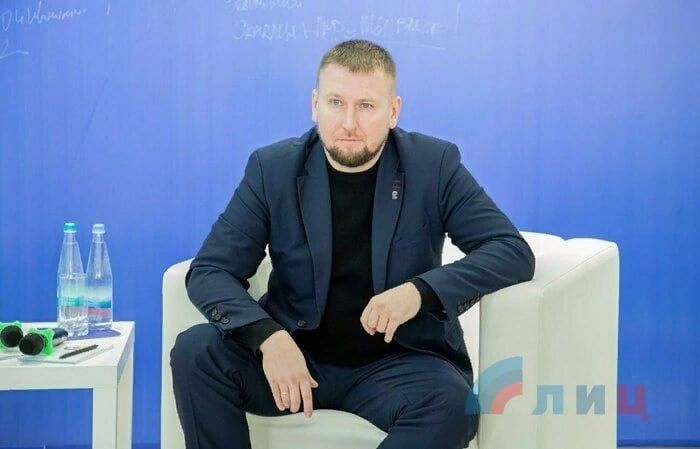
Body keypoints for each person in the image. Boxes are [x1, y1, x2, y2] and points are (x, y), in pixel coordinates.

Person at [170, 39, 535, 449]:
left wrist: (420, 292)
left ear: (393, 112)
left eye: (365, 106)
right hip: (295, 356)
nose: (348, 123)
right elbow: (210, 270)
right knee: (196, 351)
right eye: (335, 103)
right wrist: (268, 338)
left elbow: (510, 250)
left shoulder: (433, 166)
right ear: (315, 105)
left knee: (452, 404)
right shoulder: (272, 169)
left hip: (396, 363)